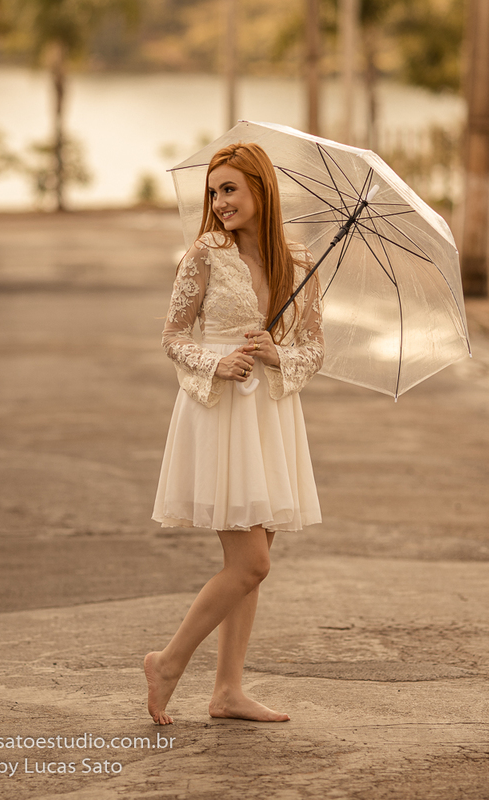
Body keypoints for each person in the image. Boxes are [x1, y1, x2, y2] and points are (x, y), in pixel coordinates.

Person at [145, 142, 324, 726]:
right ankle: (168, 662)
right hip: (221, 407)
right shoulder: (204, 255)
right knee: (250, 563)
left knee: (259, 554)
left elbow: (315, 350)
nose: (219, 202)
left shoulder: (299, 263)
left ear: (261, 191)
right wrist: (213, 363)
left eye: (230, 190)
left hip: (270, 413)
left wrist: (281, 354)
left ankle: (227, 691)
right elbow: (172, 334)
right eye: (213, 192)